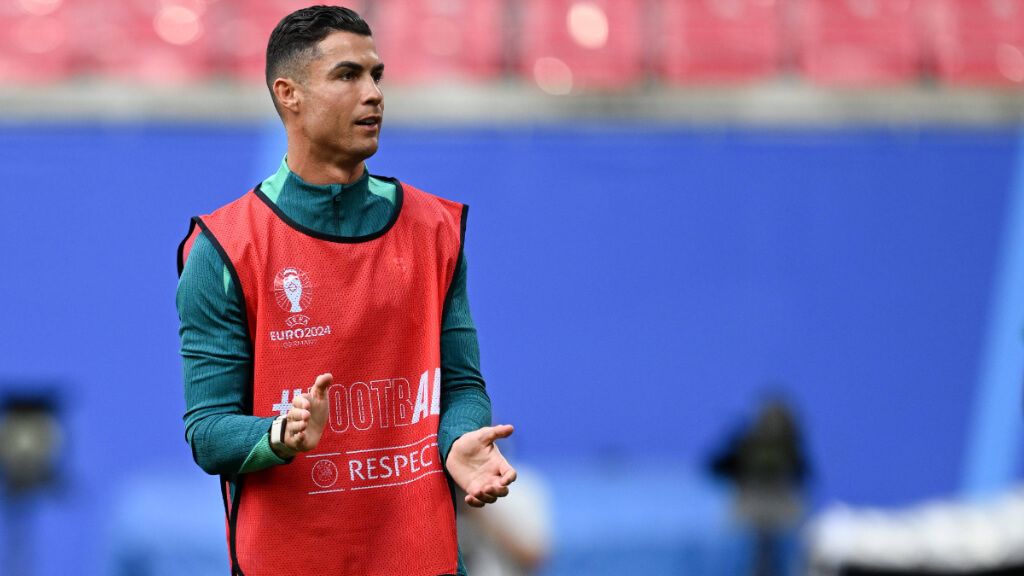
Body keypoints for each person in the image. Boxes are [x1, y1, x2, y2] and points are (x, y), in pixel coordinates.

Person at [175, 6, 516, 575]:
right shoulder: (223, 249)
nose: (374, 93)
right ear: (289, 94)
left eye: (376, 75)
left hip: (421, 561)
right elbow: (208, 431)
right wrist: (278, 435)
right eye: (347, 75)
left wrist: (458, 440)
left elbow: (459, 384)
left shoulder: (436, 229)